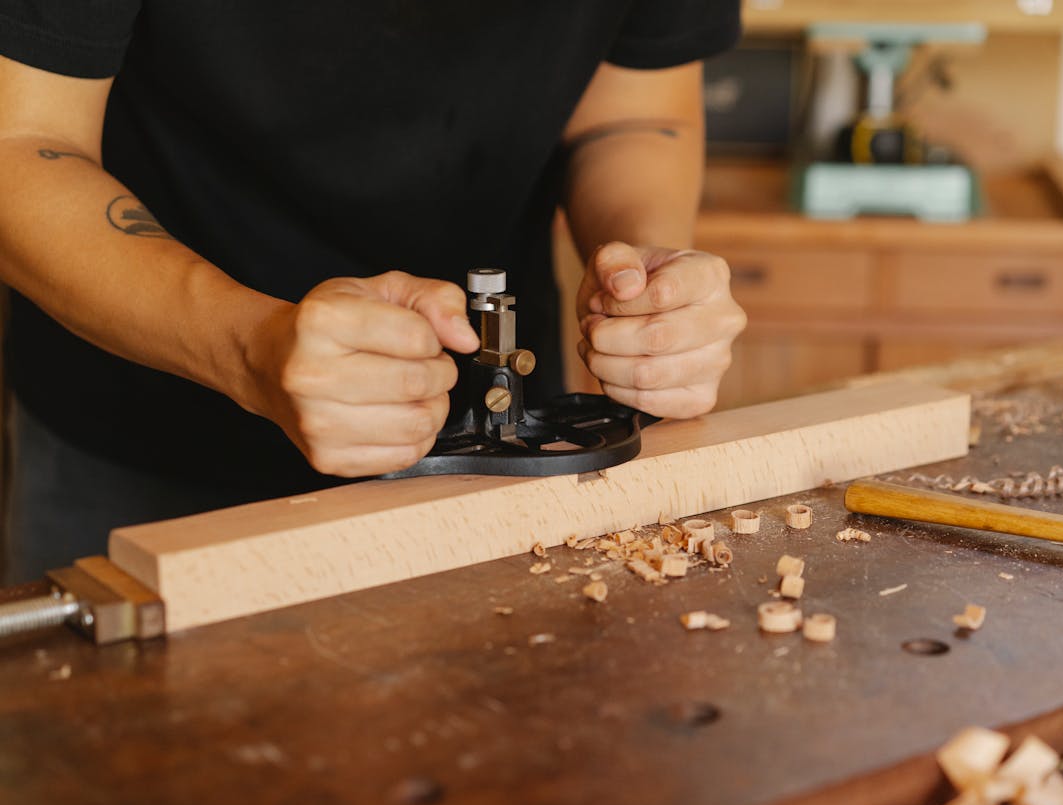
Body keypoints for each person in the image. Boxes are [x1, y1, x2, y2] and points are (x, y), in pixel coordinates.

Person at [0, 3, 747, 583]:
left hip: (494, 443)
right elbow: (22, 144)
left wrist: (646, 285)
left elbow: (634, 112)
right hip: (141, 436)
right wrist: (250, 345)